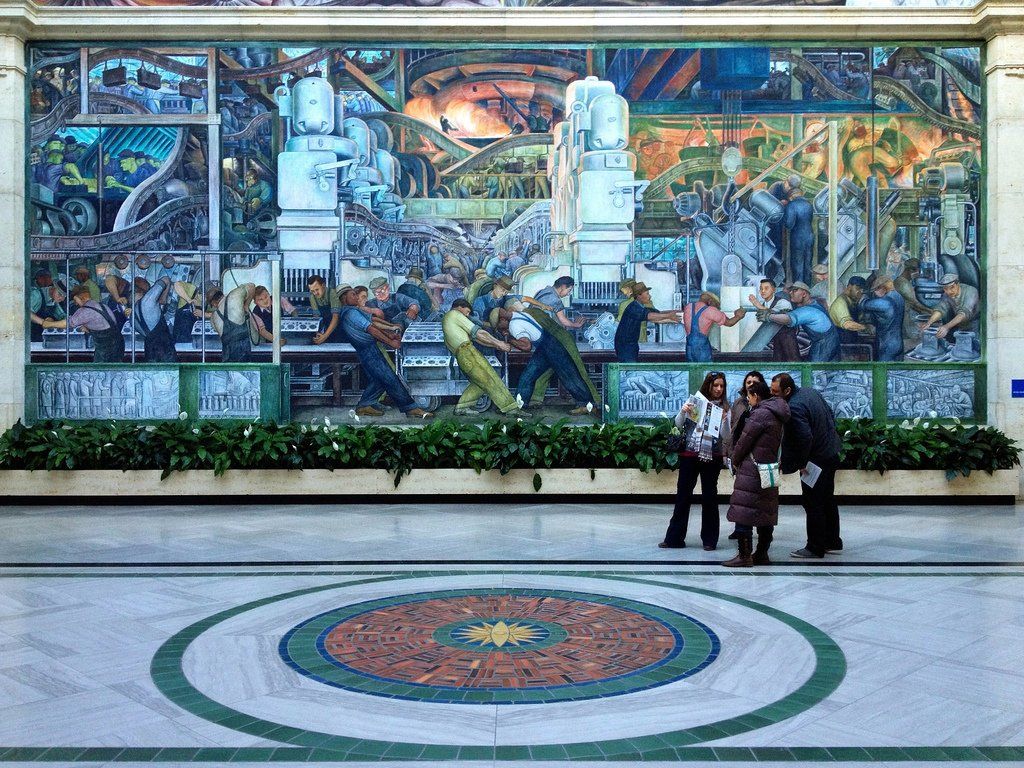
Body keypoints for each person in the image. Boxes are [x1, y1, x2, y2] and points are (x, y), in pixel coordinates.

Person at [771, 373, 843, 559]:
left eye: (776, 392)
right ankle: (832, 540)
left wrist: (802, 462)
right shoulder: (810, 392)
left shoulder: (794, 406)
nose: (773, 395)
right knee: (827, 498)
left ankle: (815, 547)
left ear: (787, 390)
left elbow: (804, 437)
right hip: (830, 452)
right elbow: (830, 414)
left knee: (813, 502)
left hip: (815, 460)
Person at [722, 379, 790, 567]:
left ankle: (744, 556)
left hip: (752, 471)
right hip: (768, 469)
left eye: (749, 397)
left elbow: (745, 441)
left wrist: (734, 460)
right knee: (765, 512)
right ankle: (762, 553)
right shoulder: (777, 413)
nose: (748, 400)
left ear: (756, 396)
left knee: (743, 512)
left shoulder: (760, 414)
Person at [660, 372, 730, 551]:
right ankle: (674, 538)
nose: (719, 389)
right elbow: (678, 424)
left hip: (712, 456)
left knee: (709, 497)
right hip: (690, 454)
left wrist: (724, 421)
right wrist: (683, 411)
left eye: (721, 386)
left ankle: (709, 540)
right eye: (715, 385)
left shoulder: (724, 408)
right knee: (683, 495)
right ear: (708, 385)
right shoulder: (696, 402)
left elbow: (726, 436)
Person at [338, 286, 432, 419]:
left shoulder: (353, 310)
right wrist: (391, 341)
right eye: (353, 295)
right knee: (389, 378)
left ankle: (365, 405)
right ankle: (410, 408)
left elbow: (373, 321)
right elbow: (371, 329)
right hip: (368, 350)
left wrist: (390, 331)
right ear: (344, 298)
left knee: (378, 380)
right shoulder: (351, 313)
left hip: (367, 348)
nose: (356, 297)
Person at [505, 302, 599, 415]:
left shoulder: (514, 324)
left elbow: (526, 346)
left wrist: (509, 339)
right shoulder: (521, 315)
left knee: (568, 374)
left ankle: (587, 404)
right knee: (529, 374)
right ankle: (520, 404)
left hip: (550, 346)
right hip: (546, 345)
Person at [442, 298, 522, 417]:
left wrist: (497, 345)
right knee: (490, 378)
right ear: (459, 307)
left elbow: (478, 339)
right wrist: (499, 343)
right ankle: (510, 409)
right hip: (467, 352)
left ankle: (462, 407)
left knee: (480, 382)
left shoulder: (449, 320)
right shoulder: (454, 314)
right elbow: (479, 333)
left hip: (463, 354)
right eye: (467, 312)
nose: (467, 315)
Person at [41, 285, 124, 363]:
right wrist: (89, 328)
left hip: (107, 348)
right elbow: (103, 324)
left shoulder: (84, 311)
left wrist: (48, 324)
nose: (75, 303)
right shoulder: (101, 305)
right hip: (118, 343)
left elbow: (67, 323)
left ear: (82, 297)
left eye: (75, 300)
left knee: (100, 368)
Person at [769, 282, 840, 362]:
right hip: (826, 347)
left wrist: (768, 316)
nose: (790, 293)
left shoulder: (809, 311)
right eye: (790, 291)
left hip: (823, 349)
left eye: (795, 290)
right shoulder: (815, 304)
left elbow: (788, 319)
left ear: (804, 294)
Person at [614, 282, 682, 362]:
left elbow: (658, 316)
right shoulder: (634, 308)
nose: (649, 296)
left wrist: (675, 315)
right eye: (647, 294)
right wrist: (669, 316)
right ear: (639, 296)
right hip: (625, 346)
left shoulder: (641, 307)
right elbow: (650, 316)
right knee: (629, 366)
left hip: (631, 344)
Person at [682, 291, 746, 363]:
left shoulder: (688, 307)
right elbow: (730, 323)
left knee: (691, 368)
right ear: (710, 301)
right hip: (702, 348)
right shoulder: (711, 310)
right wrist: (738, 316)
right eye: (716, 305)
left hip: (689, 347)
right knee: (706, 368)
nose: (717, 308)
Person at [749, 279, 799, 361]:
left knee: (792, 361)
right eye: (761, 288)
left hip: (787, 339)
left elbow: (773, 313)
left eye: (766, 288)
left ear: (774, 290)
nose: (763, 291)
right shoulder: (763, 303)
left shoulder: (783, 302)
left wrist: (757, 304)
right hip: (774, 339)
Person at [131, 276, 177, 362]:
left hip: (149, 351)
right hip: (165, 350)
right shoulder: (148, 300)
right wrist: (163, 298)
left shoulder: (132, 316)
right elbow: (166, 279)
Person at [921, 273, 980, 340]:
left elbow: (964, 313)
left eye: (952, 287)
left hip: (975, 327)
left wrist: (946, 327)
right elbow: (941, 309)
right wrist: (929, 322)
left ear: (958, 284)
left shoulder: (971, 291)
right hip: (960, 327)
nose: (949, 292)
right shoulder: (947, 295)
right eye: (945, 289)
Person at [861, 274, 905, 362]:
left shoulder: (885, 303)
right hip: (898, 342)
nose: (875, 293)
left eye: (876, 289)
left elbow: (863, 304)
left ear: (882, 287)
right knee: (897, 369)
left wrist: (864, 294)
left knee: (883, 369)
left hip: (887, 344)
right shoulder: (898, 297)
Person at [211, 283, 257, 363]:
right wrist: (246, 305)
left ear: (214, 303)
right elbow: (252, 286)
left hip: (227, 355)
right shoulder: (235, 294)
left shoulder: (213, 317)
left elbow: (217, 330)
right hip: (244, 351)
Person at [782, 176, 815, 285]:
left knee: (797, 264)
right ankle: (807, 286)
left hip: (797, 238)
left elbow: (789, 224)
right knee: (808, 264)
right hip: (809, 236)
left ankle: (798, 287)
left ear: (791, 195)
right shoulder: (808, 204)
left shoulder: (792, 205)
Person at [829, 275, 869, 344]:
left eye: (862, 290)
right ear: (850, 287)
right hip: (841, 343)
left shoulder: (852, 302)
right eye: (858, 288)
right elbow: (847, 325)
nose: (861, 292)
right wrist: (866, 328)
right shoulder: (840, 303)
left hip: (850, 341)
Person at [307, 275, 345, 344]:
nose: (315, 293)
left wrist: (324, 336)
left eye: (317, 289)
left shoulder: (332, 293)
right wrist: (318, 333)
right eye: (312, 291)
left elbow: (335, 317)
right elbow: (316, 317)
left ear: (323, 285)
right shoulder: (312, 297)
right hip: (324, 328)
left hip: (337, 328)